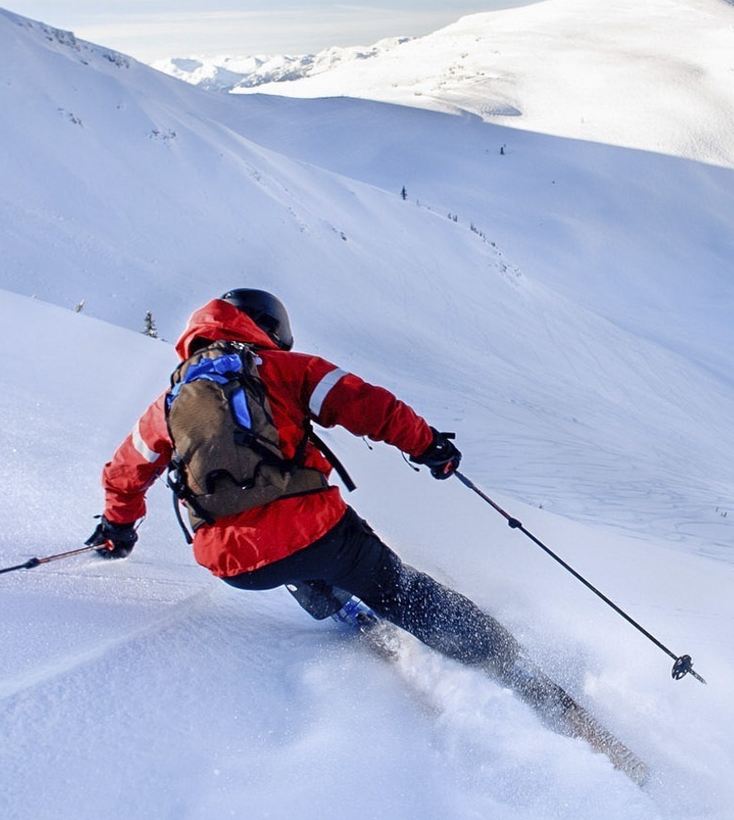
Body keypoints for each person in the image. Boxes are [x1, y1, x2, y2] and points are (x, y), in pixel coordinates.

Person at [86, 288, 525, 679]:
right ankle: (510, 663)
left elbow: (124, 474)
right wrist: (429, 446)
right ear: (271, 328)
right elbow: (370, 406)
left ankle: (336, 606)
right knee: (396, 587)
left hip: (233, 565)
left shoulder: (169, 403)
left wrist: (117, 531)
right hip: (318, 536)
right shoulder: (284, 368)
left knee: (289, 560)